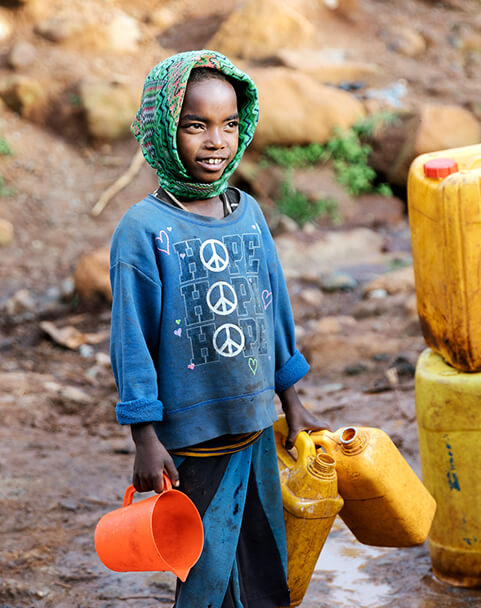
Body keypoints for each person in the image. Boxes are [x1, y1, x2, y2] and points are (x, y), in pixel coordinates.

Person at [109, 49, 328, 608]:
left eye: (229, 125)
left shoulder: (247, 213)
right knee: (204, 574)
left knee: (264, 566)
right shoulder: (144, 230)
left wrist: (292, 400)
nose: (217, 141)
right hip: (193, 440)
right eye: (196, 126)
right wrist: (144, 436)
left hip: (255, 423)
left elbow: (272, 306)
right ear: (164, 130)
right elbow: (130, 339)